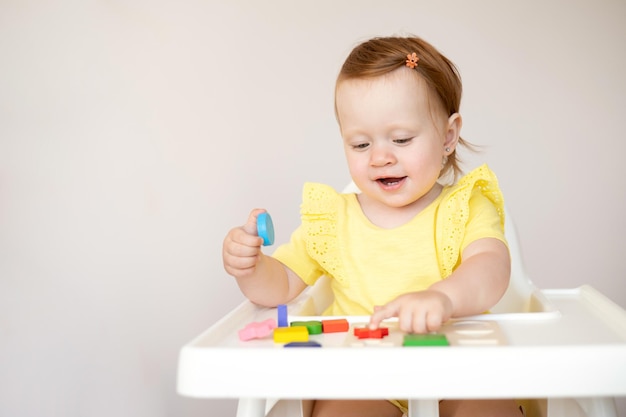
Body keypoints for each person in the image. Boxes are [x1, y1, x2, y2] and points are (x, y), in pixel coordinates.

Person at [222, 35, 523, 417]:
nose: (381, 157)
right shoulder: (332, 220)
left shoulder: (465, 206)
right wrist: (250, 267)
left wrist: (443, 297)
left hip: (457, 365)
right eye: (360, 145)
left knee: (488, 407)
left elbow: (491, 267)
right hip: (360, 373)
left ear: (448, 136)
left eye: (401, 139)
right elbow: (279, 286)